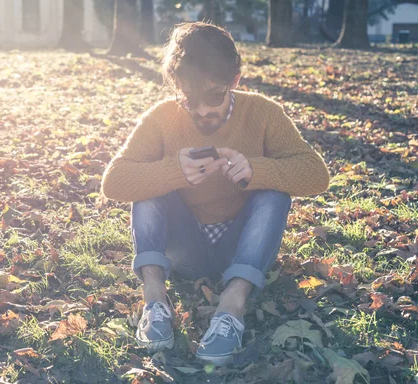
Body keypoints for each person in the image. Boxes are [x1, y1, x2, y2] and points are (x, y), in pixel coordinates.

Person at [100, 21, 330, 366]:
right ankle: (154, 299)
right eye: (189, 98)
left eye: (213, 95)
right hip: (183, 247)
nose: (202, 110)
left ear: (234, 81)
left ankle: (232, 307)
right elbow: (114, 181)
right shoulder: (163, 117)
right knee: (147, 186)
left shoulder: (263, 113)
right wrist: (172, 171)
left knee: (274, 194)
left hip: (241, 248)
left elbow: (317, 174)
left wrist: (257, 169)